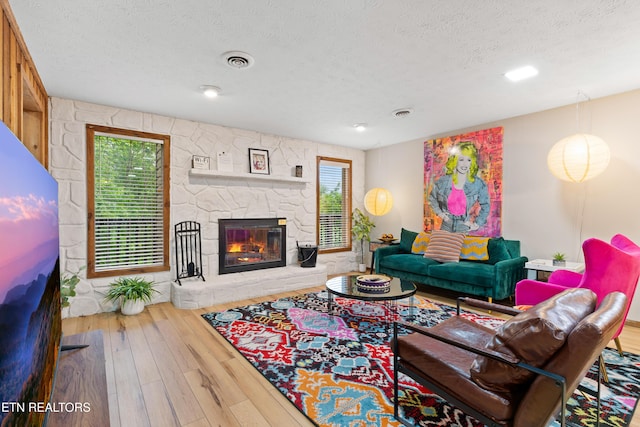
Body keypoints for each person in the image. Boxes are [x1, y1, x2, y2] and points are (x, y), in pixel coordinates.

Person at [428, 141, 490, 233]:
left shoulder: (478, 183)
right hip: (446, 224)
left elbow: (486, 205)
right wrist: (441, 214)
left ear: (471, 162)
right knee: (444, 247)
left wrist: (476, 224)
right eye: (461, 160)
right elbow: (432, 198)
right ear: (455, 161)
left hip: (464, 226)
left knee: (461, 247)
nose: (465, 164)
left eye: (468, 160)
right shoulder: (443, 181)